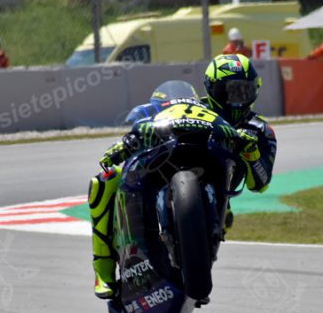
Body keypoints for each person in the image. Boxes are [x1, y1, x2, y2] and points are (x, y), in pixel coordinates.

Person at [88, 54, 276, 298]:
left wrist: (250, 153)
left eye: (245, 92)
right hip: (173, 166)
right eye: (232, 92)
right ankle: (102, 268)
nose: (238, 100)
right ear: (213, 89)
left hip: (219, 194)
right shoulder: (194, 106)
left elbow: (258, 184)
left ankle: (198, 256)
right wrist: (127, 142)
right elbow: (154, 121)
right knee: (104, 180)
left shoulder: (260, 129)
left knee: (223, 217)